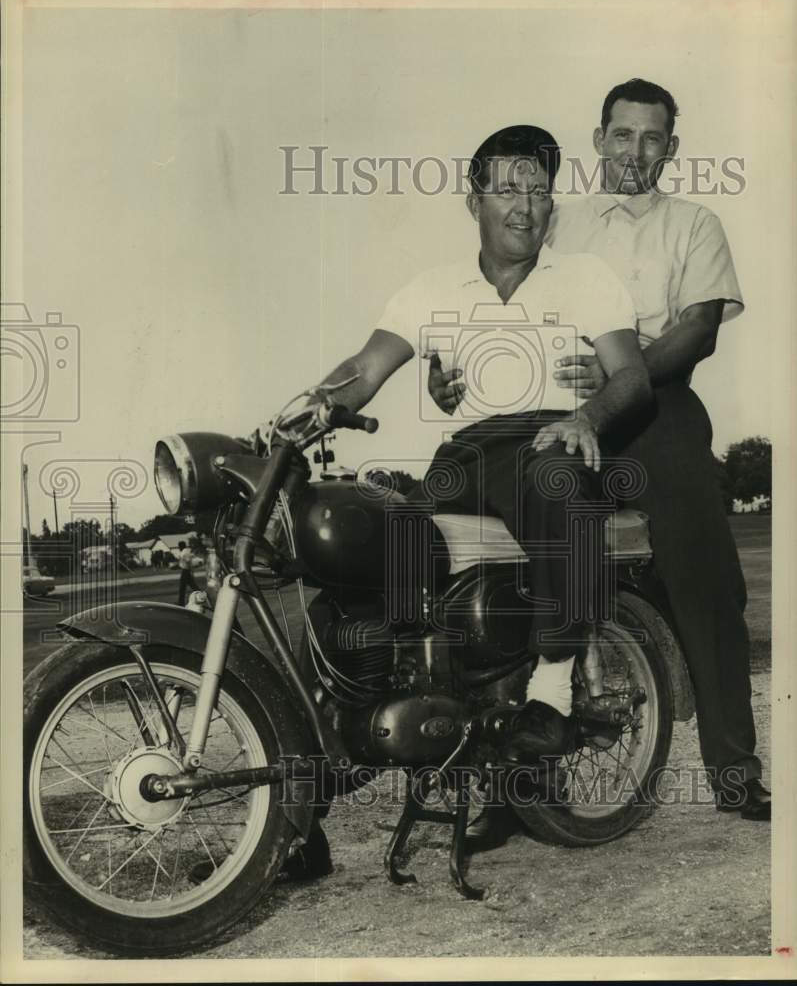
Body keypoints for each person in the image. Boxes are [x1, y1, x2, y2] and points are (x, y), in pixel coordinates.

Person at [284, 123, 652, 871]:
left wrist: (584, 418)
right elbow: (363, 366)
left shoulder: (585, 276)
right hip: (465, 455)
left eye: (540, 191)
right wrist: (307, 409)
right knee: (358, 558)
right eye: (508, 188)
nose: (525, 206)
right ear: (473, 197)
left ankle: (549, 693)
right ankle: (300, 812)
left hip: (546, 438)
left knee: (559, 485)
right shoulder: (428, 289)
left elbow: (632, 377)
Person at [429, 79, 770, 825]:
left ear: (670, 149)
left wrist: (625, 375)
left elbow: (698, 328)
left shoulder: (692, 223)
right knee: (484, 569)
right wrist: (449, 372)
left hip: (655, 410)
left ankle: (733, 770)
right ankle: (513, 779)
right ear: (598, 139)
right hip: (544, 414)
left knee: (702, 574)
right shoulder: (556, 221)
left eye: (652, 138)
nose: (634, 152)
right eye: (622, 135)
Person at [176, 540, 197, 607]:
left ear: (181, 546)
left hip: (185, 571)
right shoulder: (186, 551)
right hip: (186, 571)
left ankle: (181, 603)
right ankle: (202, 595)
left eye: (179, 546)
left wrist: (184, 559)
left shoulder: (184, 552)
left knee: (183, 587)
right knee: (192, 586)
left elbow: (187, 561)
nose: (179, 548)